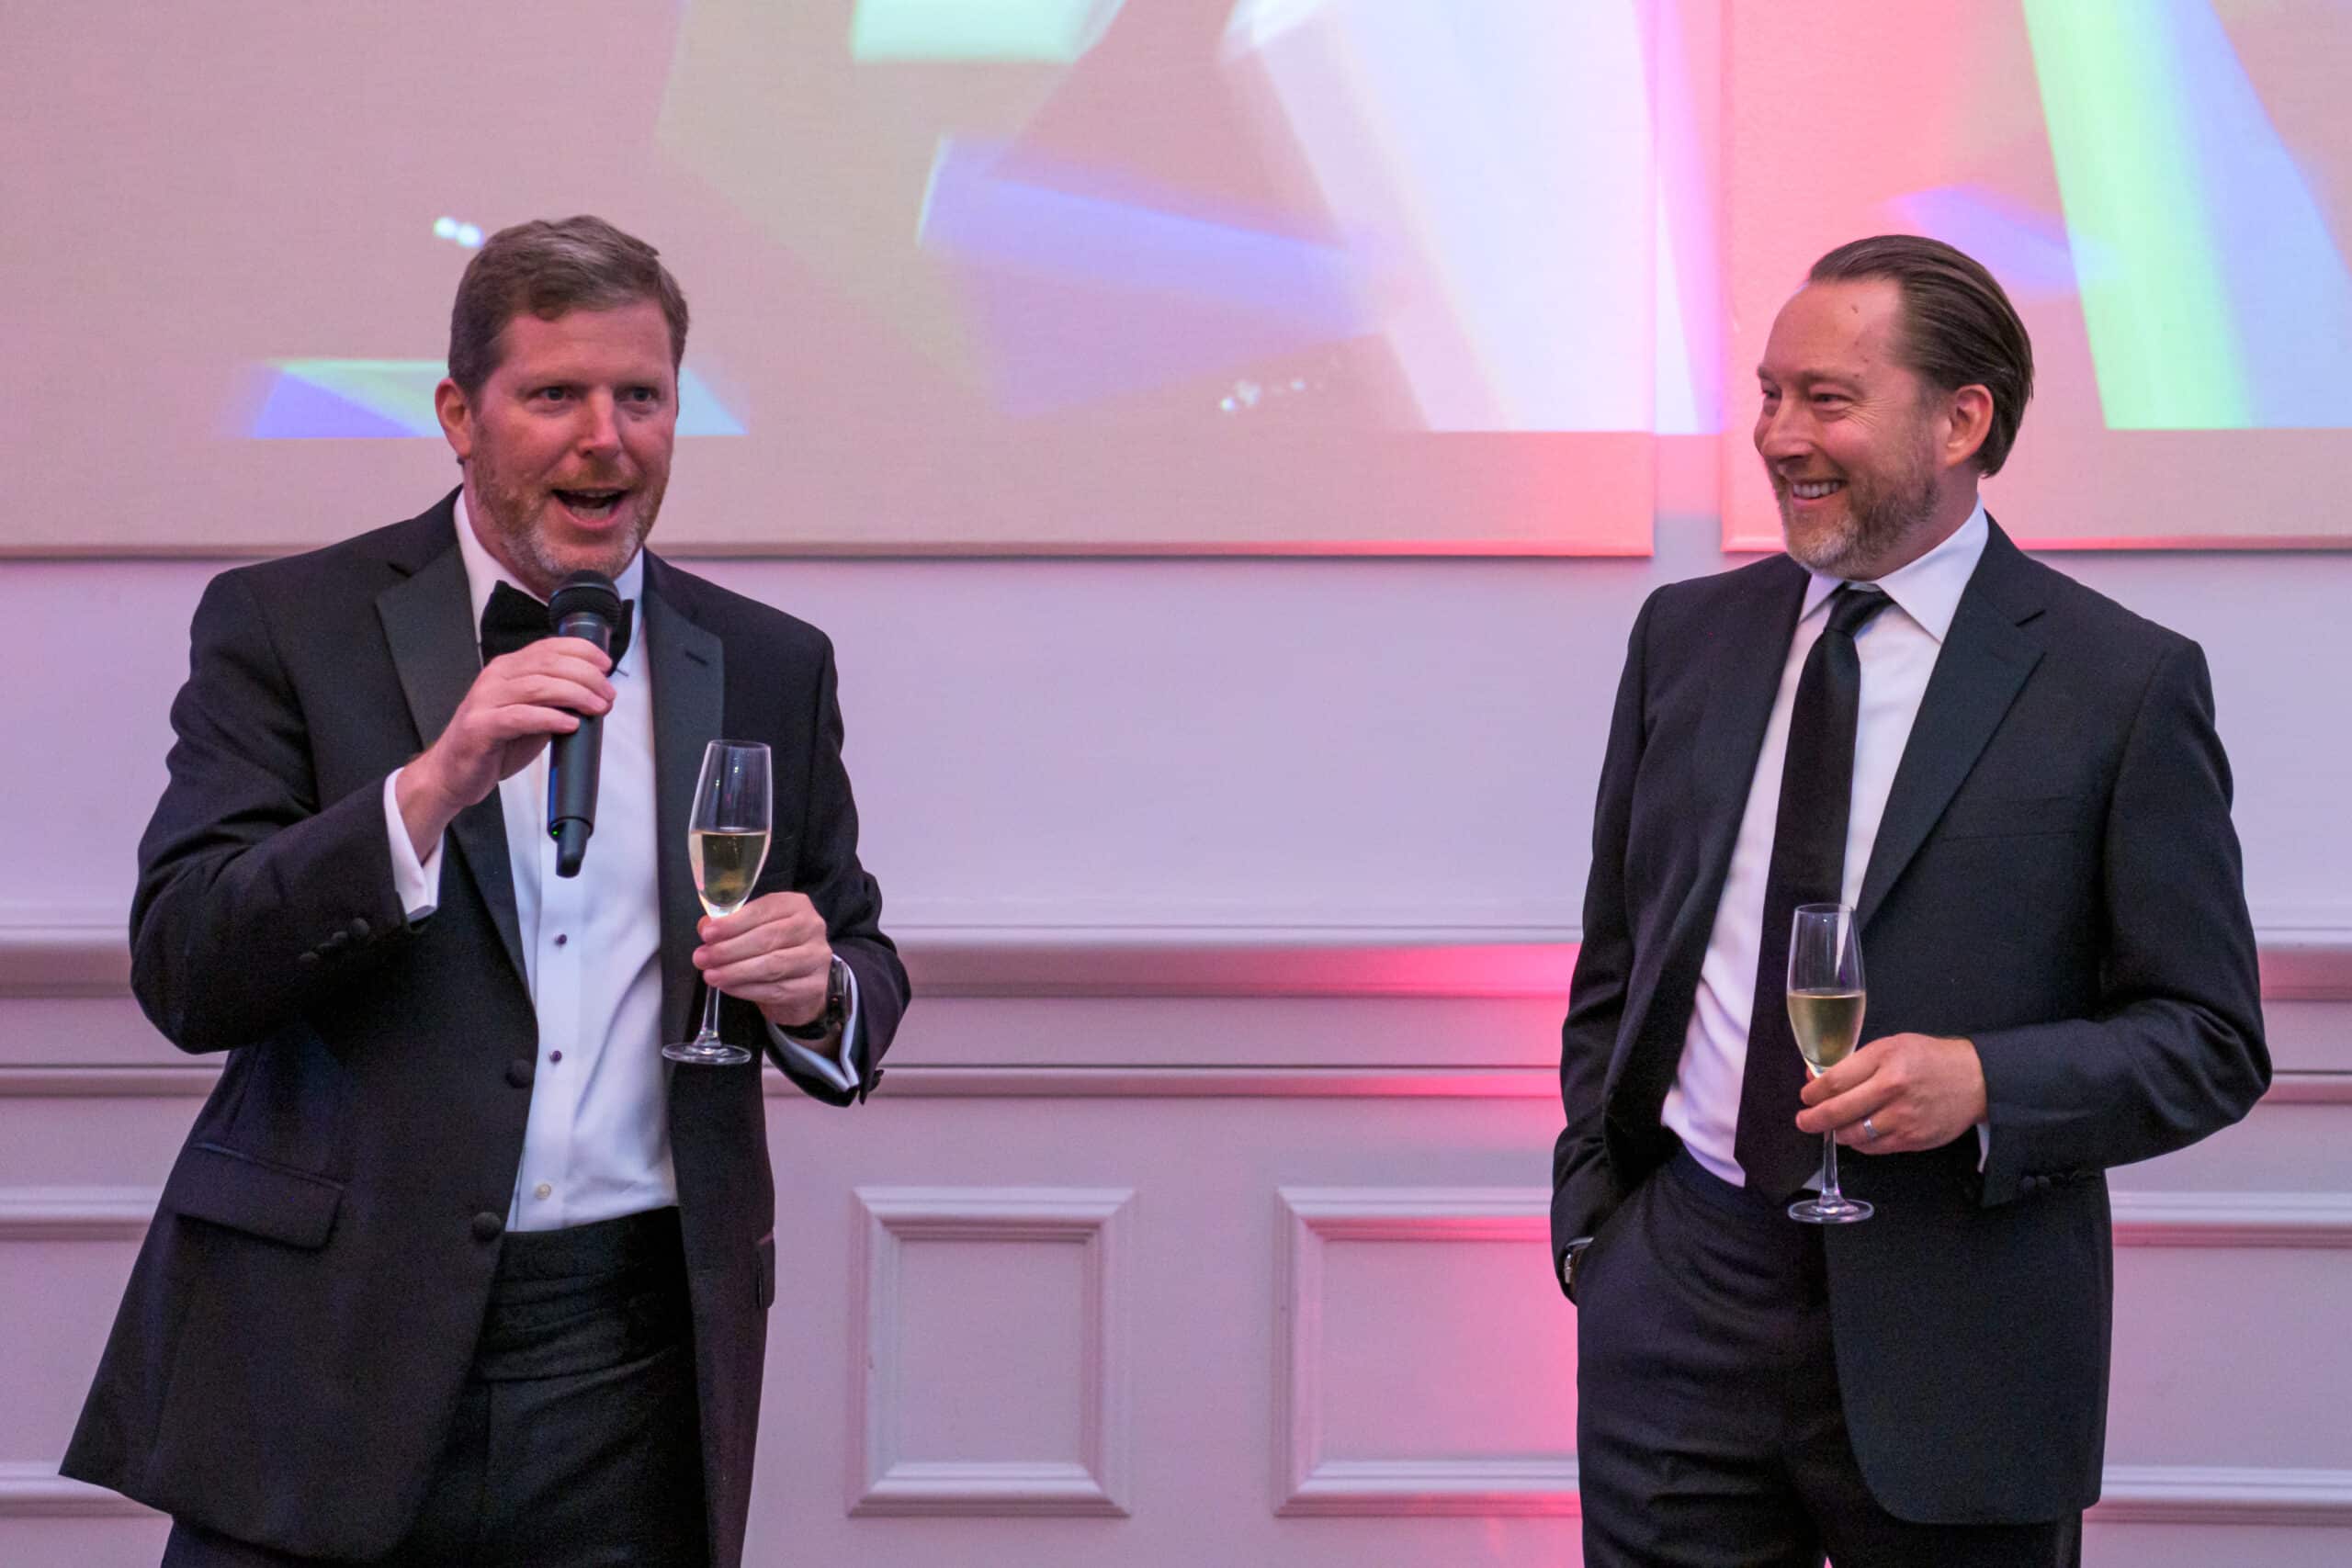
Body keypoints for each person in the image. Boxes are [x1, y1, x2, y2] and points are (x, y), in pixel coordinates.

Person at [64, 215, 909, 1567]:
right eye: (555, 394)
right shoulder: (289, 625)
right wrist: (431, 786)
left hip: (632, 1365)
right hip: (332, 1344)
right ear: (460, 415)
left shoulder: (767, 661)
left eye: (642, 397)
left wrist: (821, 992)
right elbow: (187, 964)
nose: (606, 438)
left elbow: (856, 950)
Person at [1551, 234, 2267, 1566]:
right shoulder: (1683, 640)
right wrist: (1603, 1235)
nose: (1779, 436)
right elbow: (1620, 958)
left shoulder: (2121, 685)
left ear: (1961, 421)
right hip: (1679, 1308)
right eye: (1770, 394)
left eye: (1826, 399)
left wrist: (1985, 1082)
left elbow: (2211, 1041)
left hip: (1964, 1339)